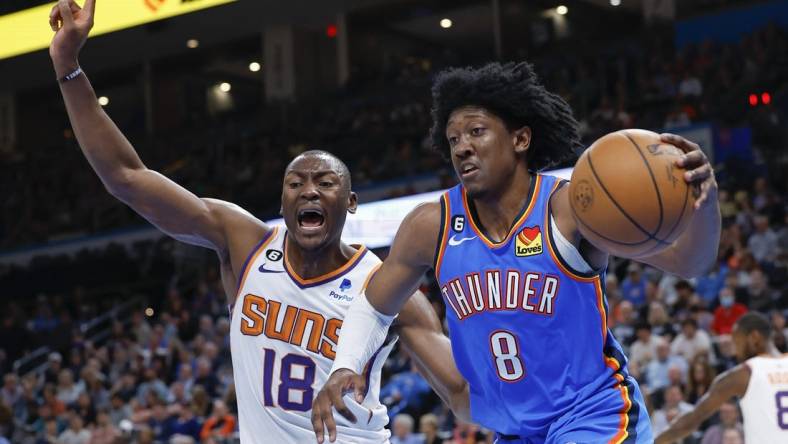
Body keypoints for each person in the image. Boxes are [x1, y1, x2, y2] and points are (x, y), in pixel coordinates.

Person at [48, 1, 465, 443]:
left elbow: (460, 394)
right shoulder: (245, 243)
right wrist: (67, 65)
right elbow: (126, 178)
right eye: (295, 183)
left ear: (351, 202)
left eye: (325, 183)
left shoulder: (386, 287)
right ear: (283, 201)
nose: (309, 191)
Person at [313, 62, 720, 443]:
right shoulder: (429, 226)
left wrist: (707, 201)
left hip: (591, 416)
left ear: (520, 139)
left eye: (476, 132)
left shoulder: (568, 211)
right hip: (514, 429)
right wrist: (346, 365)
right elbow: (374, 306)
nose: (462, 148)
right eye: (454, 139)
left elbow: (691, 263)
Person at [654, 312, 788, 443]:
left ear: (754, 337)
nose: (736, 351)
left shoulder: (744, 374)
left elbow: (692, 420)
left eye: (737, 342)